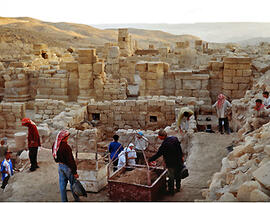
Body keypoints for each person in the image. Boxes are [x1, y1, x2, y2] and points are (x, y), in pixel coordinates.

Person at [148, 129, 184, 195]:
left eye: (159, 136)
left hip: (171, 163)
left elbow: (158, 154)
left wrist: (150, 160)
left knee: (171, 177)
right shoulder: (174, 138)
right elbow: (179, 148)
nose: (158, 137)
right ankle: (178, 187)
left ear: (161, 136)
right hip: (178, 161)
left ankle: (171, 191)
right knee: (178, 175)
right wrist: (182, 156)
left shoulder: (164, 145)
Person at [52, 130, 80, 202]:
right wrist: (75, 172)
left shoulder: (55, 145)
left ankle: (64, 201)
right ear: (64, 138)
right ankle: (76, 199)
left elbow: (55, 157)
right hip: (67, 168)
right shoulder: (66, 147)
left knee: (62, 185)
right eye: (67, 136)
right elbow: (70, 160)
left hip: (60, 166)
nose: (68, 138)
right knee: (73, 184)